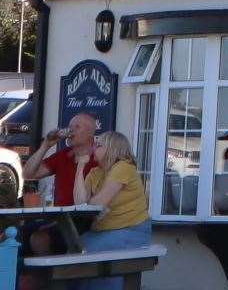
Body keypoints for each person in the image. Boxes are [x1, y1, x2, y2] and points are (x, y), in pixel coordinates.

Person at [76, 132, 152, 290]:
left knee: (89, 251)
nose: (94, 148)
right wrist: (80, 166)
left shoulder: (124, 167)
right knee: (76, 248)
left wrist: (90, 201)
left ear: (112, 148)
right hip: (103, 231)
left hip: (130, 230)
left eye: (99, 145)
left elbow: (98, 203)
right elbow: (79, 203)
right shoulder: (95, 173)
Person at [20, 114, 102, 257]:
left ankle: (55, 277)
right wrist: (45, 145)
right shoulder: (63, 155)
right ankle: (22, 278)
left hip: (87, 219)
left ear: (91, 132)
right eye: (70, 127)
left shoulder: (100, 157)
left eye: (77, 127)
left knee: (39, 239)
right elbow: (28, 174)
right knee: (17, 235)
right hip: (60, 217)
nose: (71, 130)